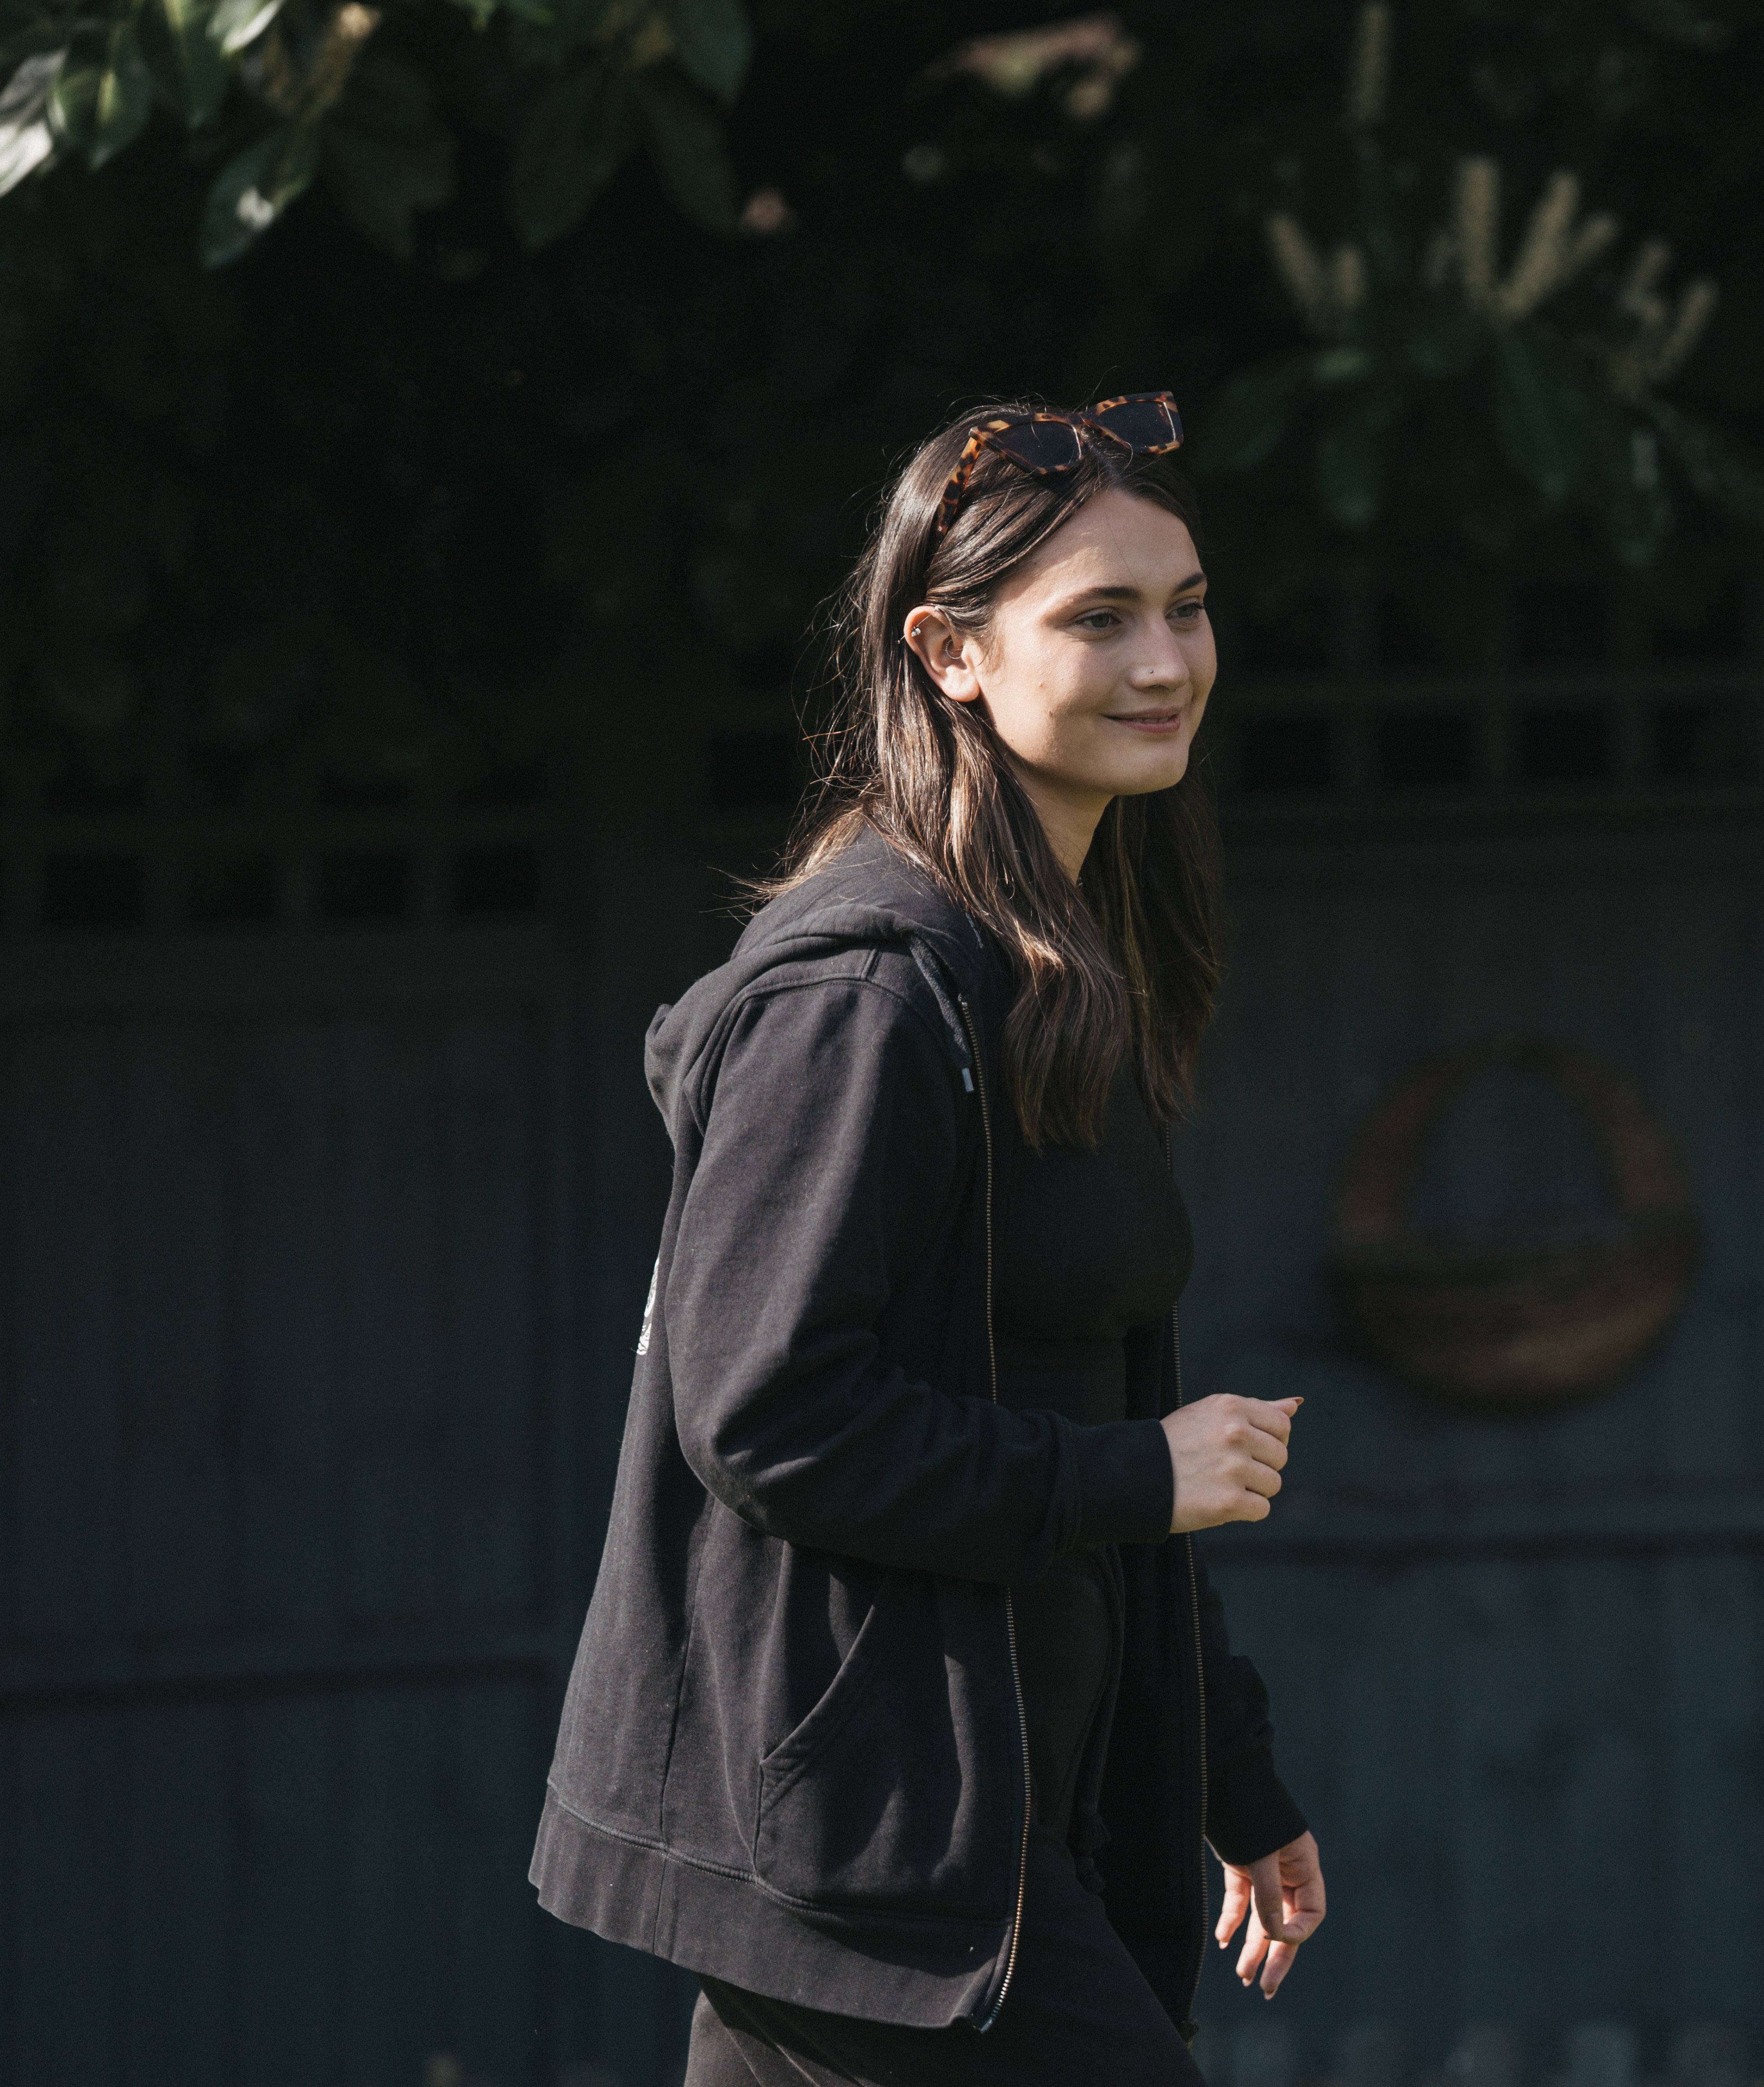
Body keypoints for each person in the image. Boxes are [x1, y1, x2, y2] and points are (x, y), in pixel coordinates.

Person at [530, 394, 1326, 2085]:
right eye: (1096, 618)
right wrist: (1130, 1479)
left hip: (986, 1817)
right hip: (869, 1840)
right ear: (949, 653)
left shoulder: (1055, 976)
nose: (1165, 659)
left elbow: (1088, 1401)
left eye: (1185, 607)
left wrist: (1229, 1774)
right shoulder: (874, 995)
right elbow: (764, 1413)